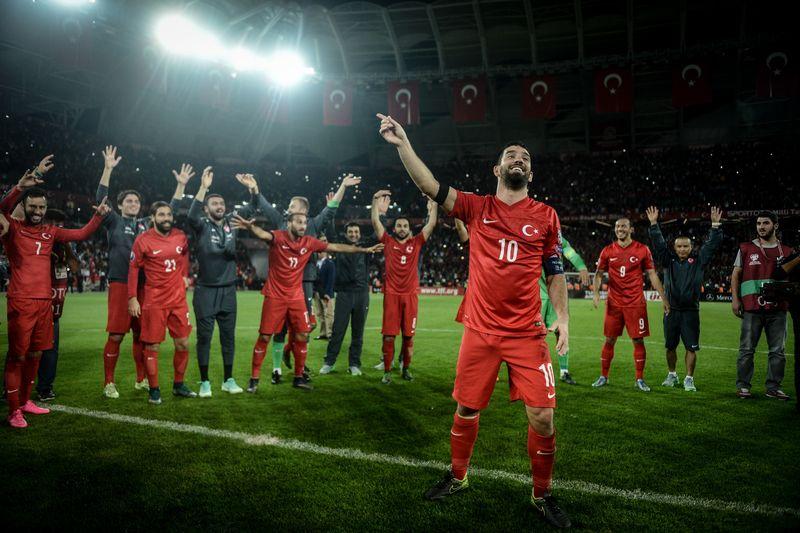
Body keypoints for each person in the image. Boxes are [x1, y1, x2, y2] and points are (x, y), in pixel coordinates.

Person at [378, 112, 572, 528]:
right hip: (480, 332)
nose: (517, 159)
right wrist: (404, 144)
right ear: (497, 169)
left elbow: (555, 272)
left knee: (543, 416)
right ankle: (459, 475)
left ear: (530, 173)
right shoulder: (475, 207)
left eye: (524, 157)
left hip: (527, 333)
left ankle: (542, 494)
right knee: (466, 409)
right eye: (510, 155)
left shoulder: (546, 216)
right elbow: (430, 186)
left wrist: (564, 320)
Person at [2, 158, 110, 428]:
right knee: (17, 356)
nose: (37, 210)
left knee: (37, 354)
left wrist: (98, 216)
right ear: (24, 207)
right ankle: (14, 410)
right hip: (22, 300)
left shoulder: (50, 233)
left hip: (44, 304)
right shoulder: (12, 230)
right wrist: (20, 187)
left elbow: (82, 233)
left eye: (41, 206)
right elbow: (2, 208)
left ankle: (27, 401)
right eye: (32, 206)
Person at [233, 213, 382, 392]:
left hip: (296, 297)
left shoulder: (309, 242)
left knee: (302, 335)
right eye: (299, 222)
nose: (303, 226)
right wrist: (250, 227)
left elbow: (335, 246)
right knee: (265, 336)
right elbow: (264, 234)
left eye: (304, 222)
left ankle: (298, 377)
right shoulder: (278, 237)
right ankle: (254, 379)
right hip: (275, 296)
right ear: (289, 223)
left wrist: (363, 250)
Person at [237, 173, 361, 384]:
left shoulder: (312, 224)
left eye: (292, 206)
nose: (289, 208)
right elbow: (264, 206)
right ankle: (276, 369)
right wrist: (255, 188)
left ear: (302, 211)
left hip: (304, 283)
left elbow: (329, 210)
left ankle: (297, 365)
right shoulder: (281, 222)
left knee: (304, 327)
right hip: (281, 283)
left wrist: (342, 186)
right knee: (280, 328)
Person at [171, 169, 270, 398]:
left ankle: (228, 379)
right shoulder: (202, 225)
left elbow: (254, 206)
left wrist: (253, 188)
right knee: (204, 338)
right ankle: (204, 382)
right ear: (207, 208)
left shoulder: (232, 222)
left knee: (228, 338)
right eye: (214, 203)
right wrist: (203, 187)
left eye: (221, 203)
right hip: (206, 291)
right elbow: (191, 215)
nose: (219, 206)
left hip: (228, 291)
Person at [96, 146, 152, 398]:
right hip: (120, 283)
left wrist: (181, 188)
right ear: (120, 205)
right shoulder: (114, 221)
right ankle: (109, 382)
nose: (133, 203)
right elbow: (100, 199)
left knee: (142, 335)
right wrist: (108, 168)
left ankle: (141, 379)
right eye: (128, 201)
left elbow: (167, 214)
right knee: (117, 334)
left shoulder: (145, 225)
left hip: (144, 286)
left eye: (136, 201)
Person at [647, 206, 723, 392]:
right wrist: (654, 224)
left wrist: (715, 226)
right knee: (670, 347)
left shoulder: (698, 261)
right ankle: (672, 375)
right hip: (671, 311)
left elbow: (711, 245)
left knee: (691, 347)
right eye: (679, 246)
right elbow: (659, 245)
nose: (682, 249)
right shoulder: (668, 261)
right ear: (675, 248)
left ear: (691, 247)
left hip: (690, 312)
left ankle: (689, 378)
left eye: (686, 246)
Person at [127, 202, 196, 405]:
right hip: (154, 301)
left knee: (183, 343)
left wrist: (185, 275)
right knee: (153, 345)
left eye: (169, 214)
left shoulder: (180, 236)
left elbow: (184, 255)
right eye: (162, 215)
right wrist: (132, 298)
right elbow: (133, 269)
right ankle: (154, 389)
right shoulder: (143, 240)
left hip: (178, 301)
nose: (166, 218)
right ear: (153, 218)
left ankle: (179, 384)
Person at [591, 217, 668, 392]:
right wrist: (596, 293)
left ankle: (639, 379)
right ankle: (604, 376)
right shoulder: (607, 251)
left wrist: (663, 298)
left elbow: (652, 274)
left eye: (624, 226)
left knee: (638, 340)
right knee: (609, 339)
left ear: (631, 229)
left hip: (635, 303)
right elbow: (598, 274)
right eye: (617, 226)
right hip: (614, 303)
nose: (620, 229)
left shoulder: (642, 250)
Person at [371, 191, 437, 384]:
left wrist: (433, 207)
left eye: (405, 225)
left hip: (410, 295)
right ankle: (387, 372)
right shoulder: (388, 242)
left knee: (408, 337)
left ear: (409, 228)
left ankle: (406, 368)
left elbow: (431, 225)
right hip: (391, 295)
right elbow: (376, 223)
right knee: (389, 337)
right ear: (395, 228)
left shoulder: (415, 242)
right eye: (399, 225)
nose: (401, 228)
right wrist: (375, 201)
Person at [731, 211, 793, 400]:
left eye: (765, 223)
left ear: (775, 225)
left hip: (778, 309)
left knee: (778, 351)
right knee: (747, 349)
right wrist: (735, 299)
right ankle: (743, 386)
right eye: (758, 223)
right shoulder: (745, 248)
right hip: (752, 308)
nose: (761, 227)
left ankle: (773, 387)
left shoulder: (788, 252)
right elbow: (736, 274)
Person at [36, 209, 80, 401]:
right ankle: (10, 389)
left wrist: (66, 247)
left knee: (51, 352)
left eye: (59, 222)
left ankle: (45, 388)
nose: (56, 224)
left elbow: (76, 268)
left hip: (55, 309)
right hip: (36, 306)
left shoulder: (65, 246)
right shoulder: (38, 242)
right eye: (52, 220)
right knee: (26, 350)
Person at [320, 222, 374, 375]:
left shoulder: (365, 247)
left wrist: (381, 215)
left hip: (362, 294)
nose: (353, 234)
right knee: (338, 330)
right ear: (345, 234)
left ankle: (354, 364)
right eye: (350, 232)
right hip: (344, 294)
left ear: (360, 234)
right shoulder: (339, 247)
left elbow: (377, 234)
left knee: (358, 332)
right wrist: (331, 212)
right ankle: (329, 362)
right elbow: (330, 233)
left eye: (356, 231)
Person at [312, 243, 336, 341]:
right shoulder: (316, 263)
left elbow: (331, 279)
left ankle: (330, 334)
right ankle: (323, 333)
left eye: (320, 251)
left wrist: (327, 293)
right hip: (317, 293)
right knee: (320, 314)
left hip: (326, 293)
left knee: (328, 314)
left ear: (325, 252)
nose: (318, 253)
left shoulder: (330, 263)